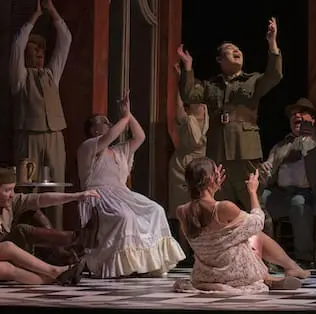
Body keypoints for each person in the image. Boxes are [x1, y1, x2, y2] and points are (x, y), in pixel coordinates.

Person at [176, 18, 283, 211]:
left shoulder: (252, 81)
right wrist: (188, 67)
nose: (237, 51)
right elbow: (189, 94)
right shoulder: (211, 85)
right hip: (219, 153)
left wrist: (272, 42)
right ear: (219, 60)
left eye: (238, 50)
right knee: (222, 206)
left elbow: (274, 75)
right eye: (230, 49)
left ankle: (262, 233)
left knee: (254, 205)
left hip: (245, 151)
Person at [77, 94, 185, 278]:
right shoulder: (88, 147)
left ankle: (148, 264)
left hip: (122, 195)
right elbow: (109, 136)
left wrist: (128, 114)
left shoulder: (118, 151)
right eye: (103, 122)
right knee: (125, 217)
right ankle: (122, 267)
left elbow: (140, 136)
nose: (109, 123)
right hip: (98, 196)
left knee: (155, 210)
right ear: (94, 130)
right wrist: (125, 118)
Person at [174, 158, 308, 293]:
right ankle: (286, 269)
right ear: (210, 179)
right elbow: (257, 222)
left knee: (242, 233)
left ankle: (270, 278)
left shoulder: (182, 211)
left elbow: (212, 239)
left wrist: (212, 189)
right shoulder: (223, 207)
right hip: (234, 274)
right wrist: (252, 191)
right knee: (254, 234)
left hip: (205, 275)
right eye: (217, 172)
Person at [10, 0, 72, 228]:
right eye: (34, 51)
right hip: (29, 139)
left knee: (56, 189)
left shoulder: (51, 75)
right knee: (27, 188)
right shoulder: (20, 78)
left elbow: (65, 40)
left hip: (54, 137)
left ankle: (55, 238)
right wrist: (35, 16)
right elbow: (17, 45)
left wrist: (52, 10)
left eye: (41, 52)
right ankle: (26, 238)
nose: (39, 55)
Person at [260, 98, 316, 267]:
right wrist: (265, 169)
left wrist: (314, 135)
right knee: (259, 200)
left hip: (311, 194)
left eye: (302, 112)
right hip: (281, 193)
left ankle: (303, 258)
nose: (296, 116)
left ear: (312, 119)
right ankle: (267, 257)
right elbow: (269, 170)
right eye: (293, 114)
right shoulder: (281, 145)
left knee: (299, 202)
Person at [0, 168, 99, 265]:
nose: (12, 195)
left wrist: (76, 196)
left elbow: (41, 199)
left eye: (13, 189)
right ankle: (78, 238)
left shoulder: (11, 202)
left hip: (10, 249)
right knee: (20, 230)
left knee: (32, 210)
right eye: (7, 190)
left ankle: (57, 254)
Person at [169, 63, 208, 219]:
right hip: (183, 165)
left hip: (204, 164)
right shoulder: (185, 116)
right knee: (184, 210)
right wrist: (180, 79)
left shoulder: (209, 112)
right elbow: (178, 103)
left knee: (202, 208)